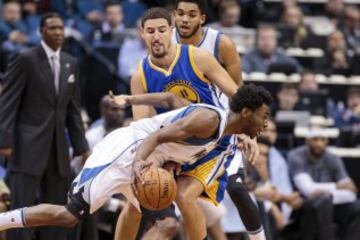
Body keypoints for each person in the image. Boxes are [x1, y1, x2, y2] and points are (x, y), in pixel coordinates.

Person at [0, 85, 272, 240]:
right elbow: (157, 135)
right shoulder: (209, 120)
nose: (265, 123)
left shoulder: (223, 141)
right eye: (263, 116)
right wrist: (139, 164)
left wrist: (168, 165)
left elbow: (171, 133)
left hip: (148, 164)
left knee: (168, 225)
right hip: (126, 151)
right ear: (246, 112)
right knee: (69, 216)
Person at [173, 1, 266, 239]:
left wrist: (245, 129)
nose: (185, 19)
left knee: (236, 187)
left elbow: (238, 91)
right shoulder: (166, 41)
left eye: (191, 14)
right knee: (172, 196)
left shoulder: (220, 43)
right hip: (183, 129)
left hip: (222, 127)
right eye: (181, 14)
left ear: (202, 18)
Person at [0, 12, 89, 240]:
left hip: (59, 147)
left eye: (60, 28)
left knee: (59, 210)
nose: (58, 32)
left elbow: (72, 109)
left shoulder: (71, 62)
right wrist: (5, 141)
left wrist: (81, 147)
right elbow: (7, 103)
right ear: (41, 32)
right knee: (20, 209)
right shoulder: (25, 59)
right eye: (52, 28)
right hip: (27, 146)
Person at [288, 129, 360, 240]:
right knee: (324, 201)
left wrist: (326, 193)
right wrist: (336, 187)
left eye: (322, 140)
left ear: (327, 142)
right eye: (315, 139)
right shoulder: (296, 156)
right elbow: (308, 190)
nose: (319, 143)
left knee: (356, 206)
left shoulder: (333, 158)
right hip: (303, 204)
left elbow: (351, 191)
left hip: (332, 203)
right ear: (307, 141)